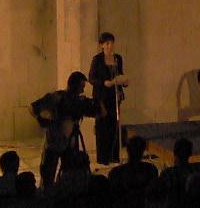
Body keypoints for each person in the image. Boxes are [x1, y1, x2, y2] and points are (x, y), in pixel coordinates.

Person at [30, 72, 99, 186]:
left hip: (68, 146)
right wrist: (42, 119)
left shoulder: (77, 102)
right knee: (48, 177)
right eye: (81, 87)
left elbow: (99, 113)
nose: (82, 90)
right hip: (54, 143)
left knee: (68, 177)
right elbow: (33, 108)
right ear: (74, 86)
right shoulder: (56, 97)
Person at [89, 32, 129, 165]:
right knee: (102, 127)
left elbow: (120, 74)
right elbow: (91, 78)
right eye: (107, 43)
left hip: (115, 96)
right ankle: (103, 158)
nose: (110, 46)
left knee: (114, 126)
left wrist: (124, 81)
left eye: (112, 43)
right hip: (102, 97)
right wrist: (103, 82)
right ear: (102, 45)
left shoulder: (118, 58)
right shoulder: (97, 60)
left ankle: (114, 156)